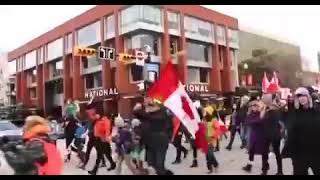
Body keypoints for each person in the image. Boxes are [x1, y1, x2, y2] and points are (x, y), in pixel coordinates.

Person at [133, 96, 173, 175]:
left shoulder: (162, 110)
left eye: (148, 97)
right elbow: (136, 113)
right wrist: (137, 108)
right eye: (145, 98)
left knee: (159, 165)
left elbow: (159, 119)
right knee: (150, 165)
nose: (145, 100)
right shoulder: (145, 112)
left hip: (160, 141)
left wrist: (169, 137)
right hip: (149, 142)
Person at [287, 87, 320, 175]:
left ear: (308, 97)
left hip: (315, 151)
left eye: (303, 95)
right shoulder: (295, 113)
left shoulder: (316, 111)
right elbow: (291, 132)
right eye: (299, 96)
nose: (301, 98)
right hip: (299, 153)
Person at [85, 103, 116, 175]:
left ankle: (94, 171)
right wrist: (88, 112)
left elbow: (107, 131)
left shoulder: (105, 120)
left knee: (99, 156)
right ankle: (112, 164)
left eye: (97, 114)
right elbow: (92, 117)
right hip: (98, 139)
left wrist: (106, 138)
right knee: (107, 155)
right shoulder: (98, 120)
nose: (96, 115)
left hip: (103, 140)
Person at [242, 98, 269, 175]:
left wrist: (262, 113)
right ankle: (249, 166)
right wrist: (260, 117)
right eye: (253, 106)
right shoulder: (251, 114)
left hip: (263, 136)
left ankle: (265, 169)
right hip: (254, 136)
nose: (255, 107)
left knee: (264, 153)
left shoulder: (264, 113)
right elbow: (249, 122)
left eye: (257, 105)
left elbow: (263, 121)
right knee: (251, 151)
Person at [261, 93, 284, 175]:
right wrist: (265, 107)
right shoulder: (266, 108)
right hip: (266, 133)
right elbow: (261, 117)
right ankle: (264, 170)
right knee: (264, 152)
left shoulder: (277, 109)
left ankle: (280, 171)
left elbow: (280, 122)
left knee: (277, 153)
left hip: (275, 134)